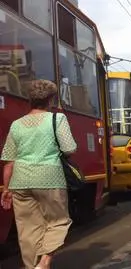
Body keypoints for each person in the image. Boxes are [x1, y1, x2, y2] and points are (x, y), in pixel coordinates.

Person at [1, 80, 76, 269]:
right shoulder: (56, 119)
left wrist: (6, 188)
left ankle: (32, 267)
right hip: (49, 179)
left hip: (20, 182)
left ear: (30, 99)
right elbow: (69, 148)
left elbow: (9, 161)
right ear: (50, 99)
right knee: (58, 222)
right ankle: (44, 262)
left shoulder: (17, 125)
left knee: (28, 232)